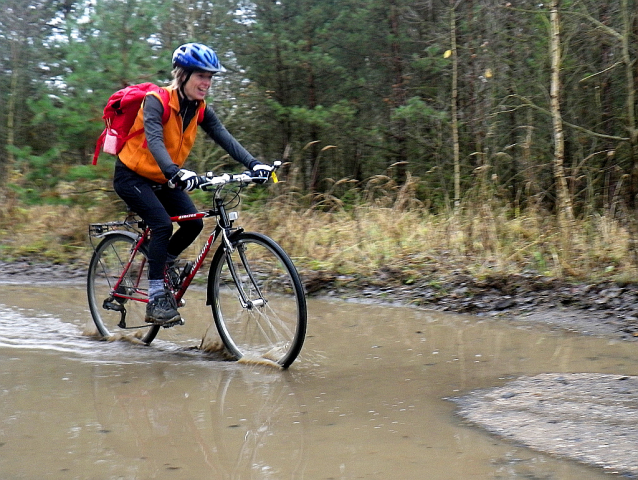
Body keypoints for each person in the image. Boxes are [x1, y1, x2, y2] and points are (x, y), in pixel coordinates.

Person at [113, 42, 273, 325]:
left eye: (211, 77)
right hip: (132, 176)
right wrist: (175, 172)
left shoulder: (199, 109)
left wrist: (254, 164)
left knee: (194, 223)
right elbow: (154, 140)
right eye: (202, 76)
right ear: (183, 75)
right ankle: (156, 298)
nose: (207, 83)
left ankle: (162, 265)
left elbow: (223, 136)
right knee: (162, 225)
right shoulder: (157, 100)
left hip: (164, 177)